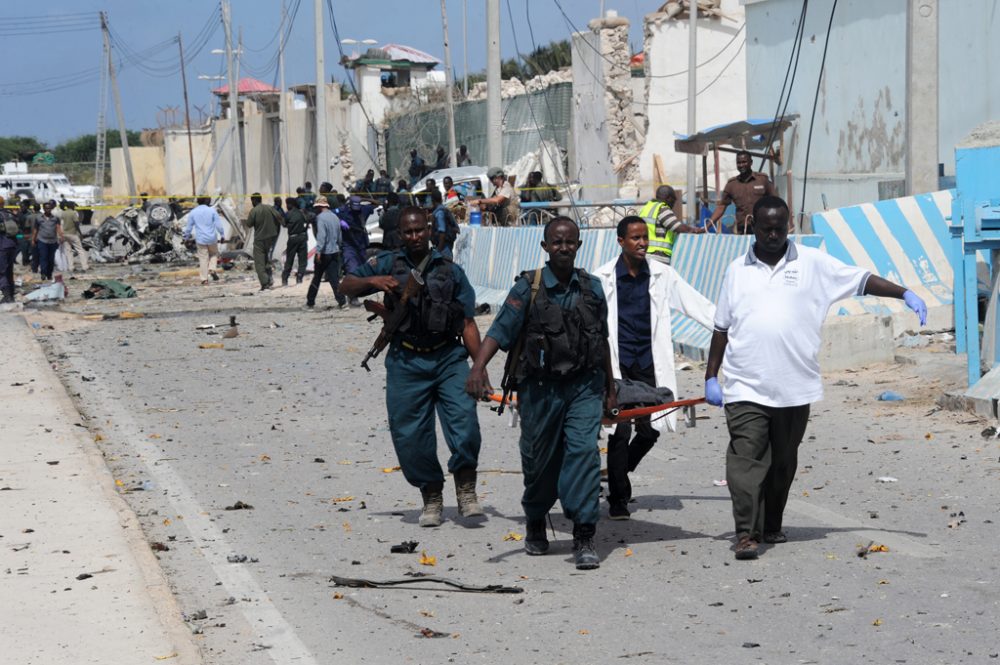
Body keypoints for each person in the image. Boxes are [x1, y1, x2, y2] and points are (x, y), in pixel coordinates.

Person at [704, 195, 928, 560]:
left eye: (779, 228)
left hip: (795, 387)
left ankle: (771, 524)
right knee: (745, 460)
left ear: (788, 225)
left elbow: (862, 280)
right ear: (752, 228)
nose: (773, 235)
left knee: (782, 461)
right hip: (745, 385)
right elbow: (721, 328)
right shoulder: (736, 270)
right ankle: (746, 533)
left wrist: (904, 293)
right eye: (766, 229)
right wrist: (711, 376)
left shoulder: (814, 263)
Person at [466, 217, 616, 570]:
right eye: (556, 242)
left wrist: (611, 389)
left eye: (570, 242)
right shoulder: (528, 288)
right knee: (540, 462)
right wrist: (478, 367)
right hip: (540, 390)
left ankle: (583, 533)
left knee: (583, 453)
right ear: (545, 246)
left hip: (583, 387)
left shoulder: (592, 288)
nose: (563, 247)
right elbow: (500, 331)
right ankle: (536, 517)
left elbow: (602, 342)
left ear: (578, 246)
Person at [340, 207, 485, 527]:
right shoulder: (387, 262)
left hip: (448, 357)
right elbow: (345, 285)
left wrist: (479, 369)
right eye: (408, 232)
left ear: (430, 230)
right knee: (410, 434)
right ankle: (431, 495)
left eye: (420, 230)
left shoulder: (451, 271)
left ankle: (466, 490)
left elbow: (468, 323)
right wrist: (373, 280)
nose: (415, 236)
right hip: (406, 360)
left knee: (465, 423)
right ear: (400, 235)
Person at [594, 216, 716, 519]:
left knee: (650, 430)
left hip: (650, 367)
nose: (643, 243)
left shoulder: (663, 275)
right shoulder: (602, 278)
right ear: (620, 241)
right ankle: (619, 498)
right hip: (618, 368)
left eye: (645, 237)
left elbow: (695, 304)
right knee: (620, 431)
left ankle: (616, 471)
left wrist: (728, 327)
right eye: (635, 238)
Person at [707, 150, 777, 234]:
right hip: (743, 229)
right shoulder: (732, 185)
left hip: (763, 227)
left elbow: (775, 202)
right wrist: (707, 227)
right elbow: (721, 207)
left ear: (751, 162)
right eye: (738, 163)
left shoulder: (762, 180)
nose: (741, 165)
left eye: (744, 162)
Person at [638, 185, 704, 265]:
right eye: (673, 201)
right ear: (669, 198)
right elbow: (678, 227)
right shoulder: (662, 209)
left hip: (644, 253)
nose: (673, 205)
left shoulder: (646, 208)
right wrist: (694, 230)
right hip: (658, 256)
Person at [305, 197, 346, 309]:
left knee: (317, 278)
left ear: (319, 206)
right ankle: (342, 302)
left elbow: (321, 236)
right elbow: (339, 237)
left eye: (316, 207)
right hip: (335, 251)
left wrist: (318, 252)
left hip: (324, 253)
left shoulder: (320, 219)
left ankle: (310, 303)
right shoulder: (335, 217)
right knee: (334, 279)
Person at [338, 195, 373, 305]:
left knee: (361, 271)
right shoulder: (344, 211)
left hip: (361, 245)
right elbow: (331, 212)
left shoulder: (364, 209)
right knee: (352, 269)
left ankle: (357, 293)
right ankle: (353, 297)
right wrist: (340, 221)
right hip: (349, 245)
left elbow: (378, 203)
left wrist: (364, 199)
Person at [245, 193, 284, 291]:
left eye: (252, 201)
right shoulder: (269, 208)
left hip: (260, 239)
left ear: (254, 200)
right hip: (271, 238)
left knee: (259, 263)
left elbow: (249, 224)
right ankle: (270, 279)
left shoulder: (254, 211)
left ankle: (265, 283)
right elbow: (279, 217)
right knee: (266, 259)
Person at [183, 196, 225, 285]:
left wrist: (186, 238)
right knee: (214, 254)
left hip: (200, 239)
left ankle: (204, 279)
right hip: (212, 238)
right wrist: (222, 235)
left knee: (203, 258)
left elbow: (189, 227)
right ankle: (212, 269)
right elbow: (218, 225)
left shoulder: (193, 212)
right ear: (207, 201)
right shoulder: (212, 211)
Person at [31, 200, 63, 281]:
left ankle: (49, 274)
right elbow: (36, 229)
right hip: (42, 241)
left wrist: (61, 236)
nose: (48, 210)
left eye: (49, 208)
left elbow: (58, 227)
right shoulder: (39, 218)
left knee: (51, 259)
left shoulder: (55, 218)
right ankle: (43, 273)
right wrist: (33, 239)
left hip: (53, 241)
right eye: (46, 208)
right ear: (44, 209)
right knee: (43, 257)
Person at [281, 196, 309, 286]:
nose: (286, 206)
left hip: (293, 239)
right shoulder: (302, 213)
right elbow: (308, 220)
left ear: (291, 204)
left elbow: (284, 224)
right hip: (302, 238)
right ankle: (299, 278)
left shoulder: (288, 214)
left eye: (287, 204)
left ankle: (285, 279)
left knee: (289, 259)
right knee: (302, 260)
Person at [57, 200, 87, 276]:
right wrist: (80, 233)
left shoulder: (63, 213)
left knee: (68, 251)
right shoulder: (73, 213)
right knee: (80, 250)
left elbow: (60, 224)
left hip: (65, 235)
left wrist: (60, 235)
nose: (74, 207)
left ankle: (71, 268)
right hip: (73, 234)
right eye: (74, 205)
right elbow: (76, 224)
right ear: (71, 206)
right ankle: (84, 267)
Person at [429, 189, 459, 258]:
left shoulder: (439, 213)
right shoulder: (444, 209)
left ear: (432, 200)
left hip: (444, 248)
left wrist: (439, 251)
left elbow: (442, 232)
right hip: (444, 246)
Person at [0, 197, 18, 303]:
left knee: (1, 272)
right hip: (12, 245)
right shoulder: (9, 214)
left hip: (2, 246)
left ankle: (7, 296)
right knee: (8, 272)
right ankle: (11, 295)